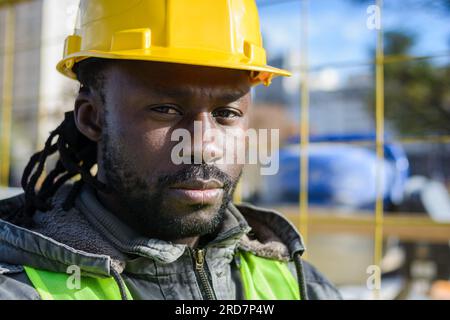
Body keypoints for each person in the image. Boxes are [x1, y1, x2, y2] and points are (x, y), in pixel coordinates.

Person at [0, 0, 341, 300]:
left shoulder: (301, 286)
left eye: (226, 114)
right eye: (166, 110)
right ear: (93, 118)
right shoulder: (20, 287)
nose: (203, 146)